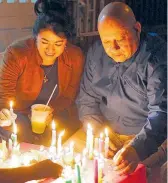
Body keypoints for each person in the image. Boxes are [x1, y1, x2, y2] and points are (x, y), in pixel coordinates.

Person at [76, 2, 167, 175]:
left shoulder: (157, 58)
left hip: (148, 137)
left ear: (137, 28)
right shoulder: (96, 54)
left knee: (123, 174)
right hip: (106, 134)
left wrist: (137, 148)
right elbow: (86, 100)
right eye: (106, 41)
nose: (113, 48)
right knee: (70, 160)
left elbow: (162, 114)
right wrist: (97, 133)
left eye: (120, 38)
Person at [0, 0, 84, 145]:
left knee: (62, 142)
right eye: (44, 42)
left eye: (58, 44)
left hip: (53, 114)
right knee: (21, 141)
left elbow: (69, 95)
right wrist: (4, 112)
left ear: (66, 43)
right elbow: (4, 96)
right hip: (19, 114)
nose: (51, 50)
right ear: (35, 37)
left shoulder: (75, 57)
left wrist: (52, 110)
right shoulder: (17, 54)